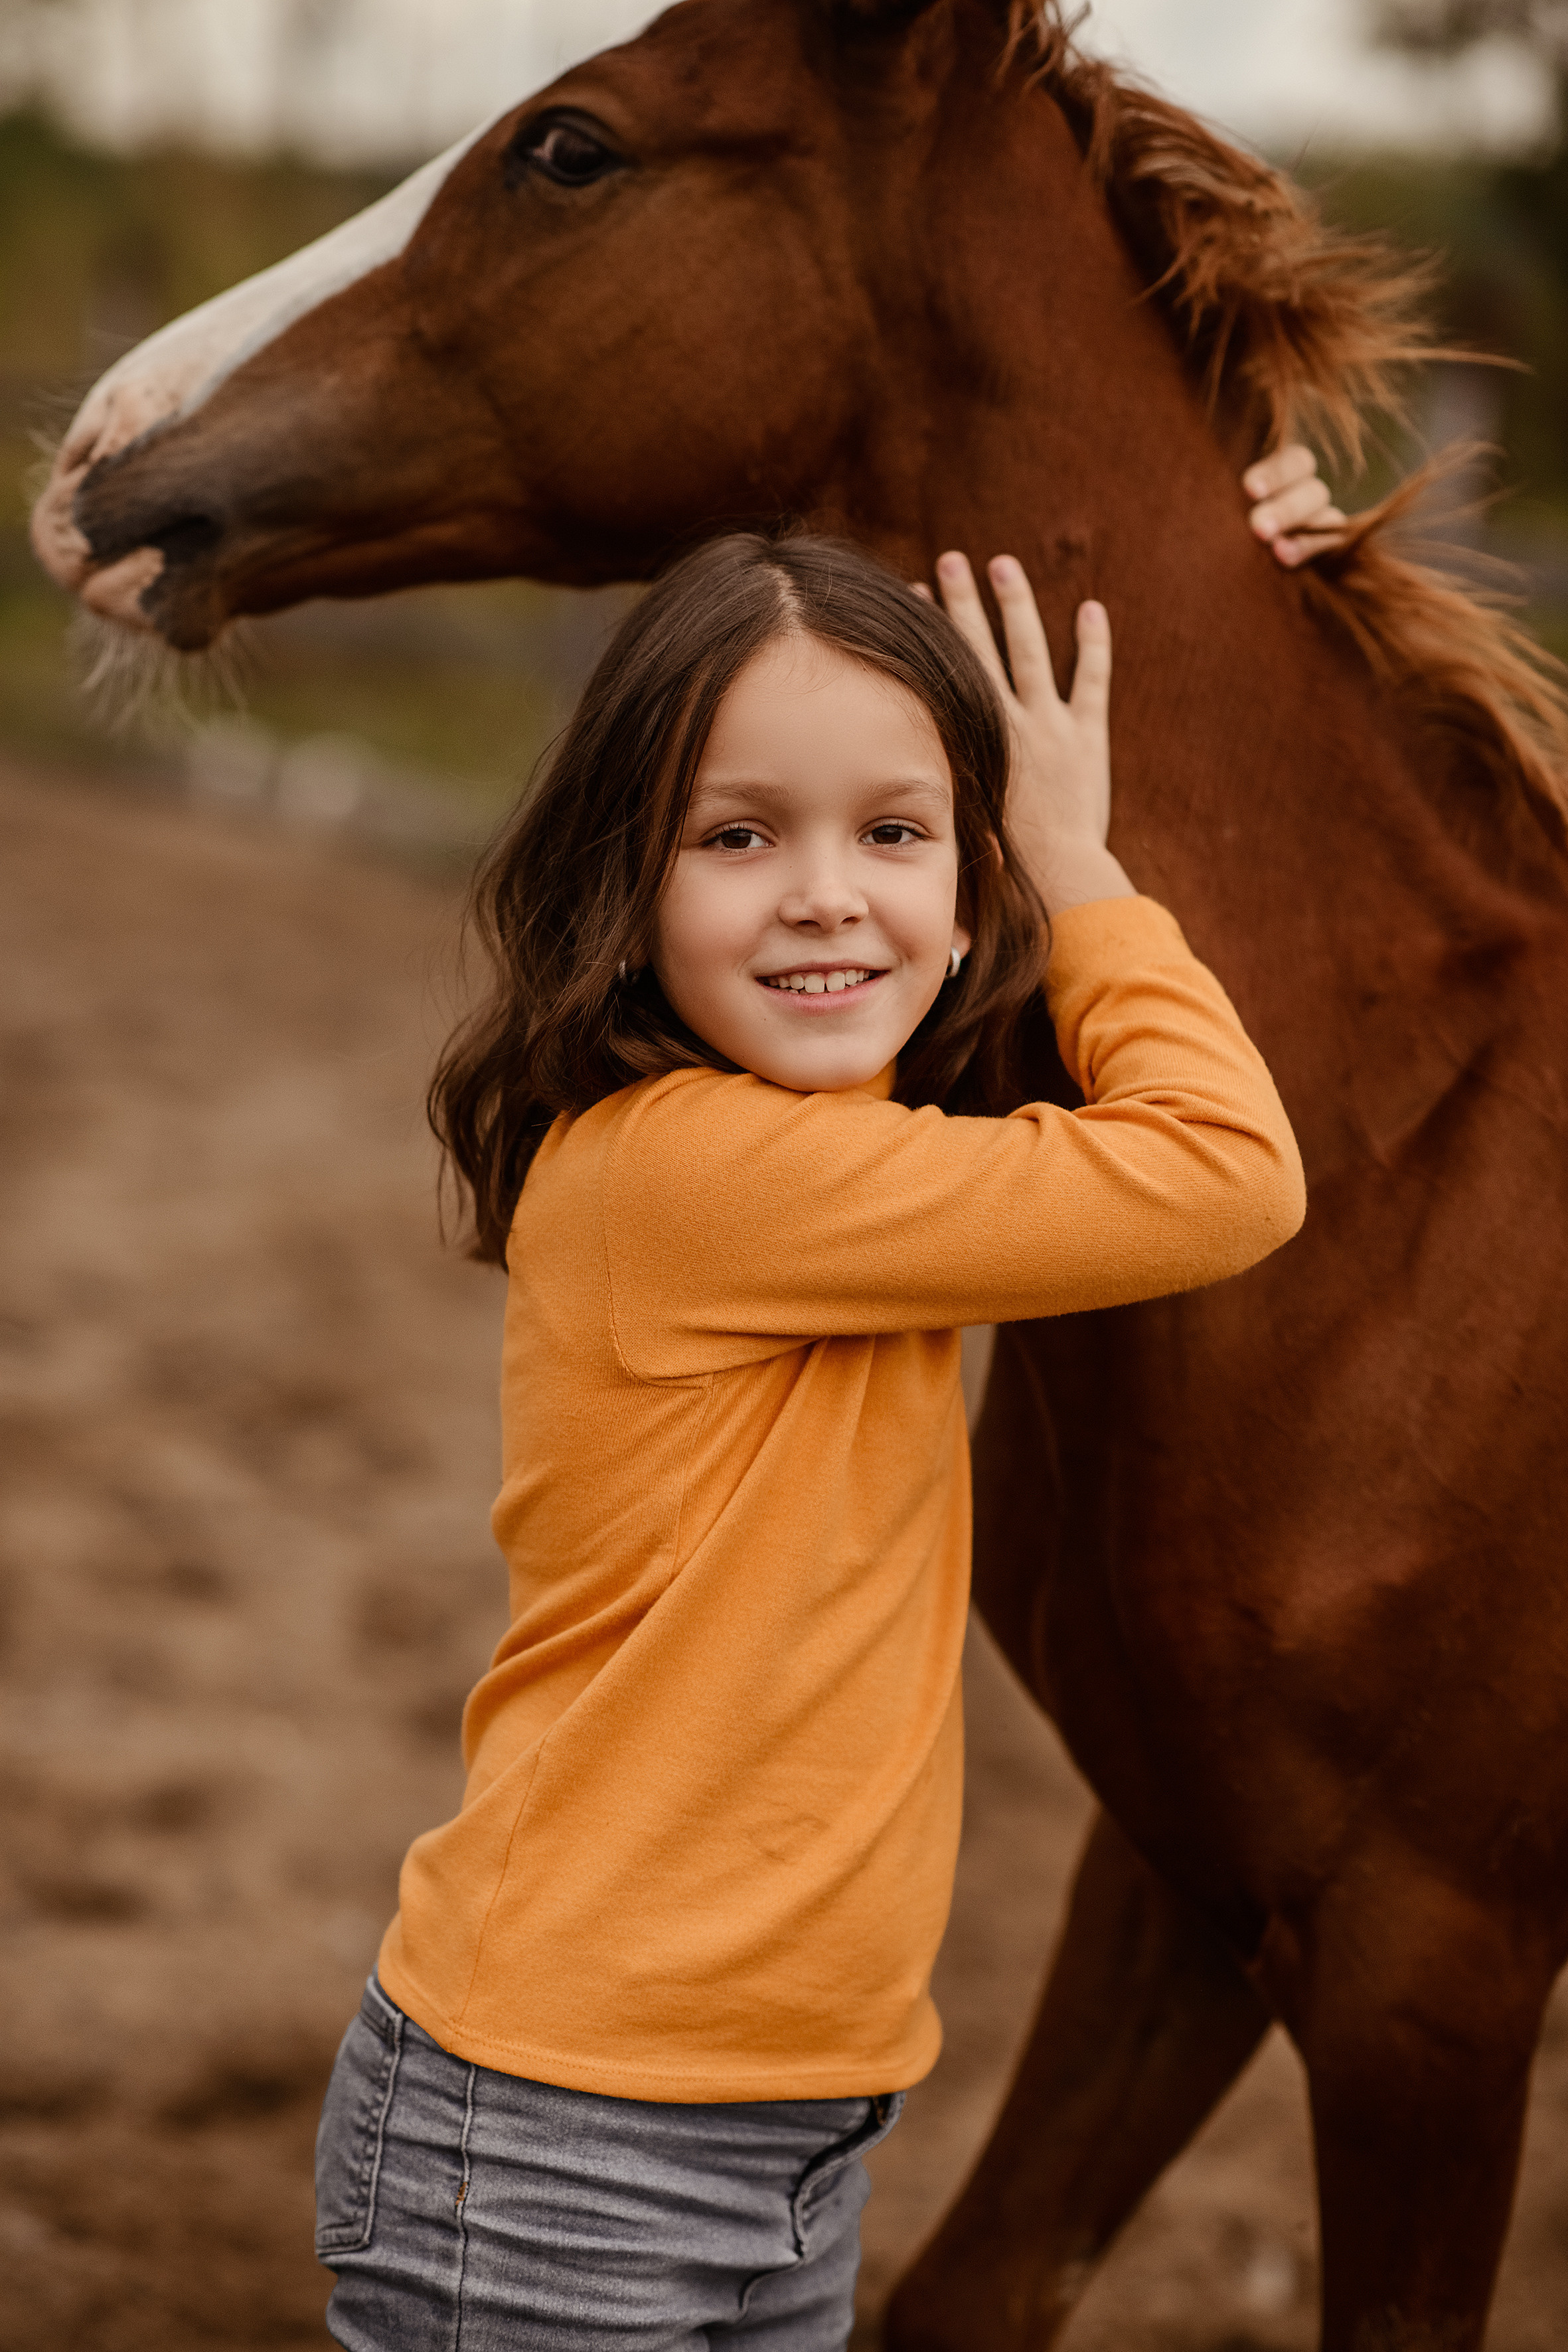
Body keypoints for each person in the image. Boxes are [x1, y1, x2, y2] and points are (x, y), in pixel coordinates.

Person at [313, 451, 1327, 2351]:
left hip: (785, 2131)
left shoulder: (850, 1151)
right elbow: (1224, 1170)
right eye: (737, 838)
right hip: (553, 2145)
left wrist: (1229, 564)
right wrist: (1083, 868)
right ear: (623, 887)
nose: (824, 901)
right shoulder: (697, 1175)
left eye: (893, 834)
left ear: (963, 893)